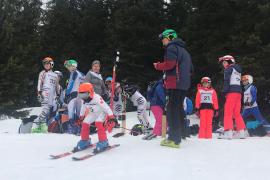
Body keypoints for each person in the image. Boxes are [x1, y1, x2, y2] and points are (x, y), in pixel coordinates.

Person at [153, 29, 193, 148]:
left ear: (170, 37)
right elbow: (191, 68)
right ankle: (183, 134)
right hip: (184, 83)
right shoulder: (185, 51)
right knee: (179, 107)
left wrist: (158, 66)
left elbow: (169, 64)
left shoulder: (171, 48)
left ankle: (174, 139)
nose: (162, 42)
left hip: (175, 82)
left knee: (171, 109)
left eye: (163, 39)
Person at [74, 83, 115, 153]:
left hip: (102, 112)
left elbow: (106, 107)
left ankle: (104, 141)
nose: (83, 97)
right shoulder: (84, 100)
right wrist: (81, 117)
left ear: (90, 92)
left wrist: (111, 117)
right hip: (93, 113)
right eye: (81, 95)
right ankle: (85, 140)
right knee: (85, 123)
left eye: (84, 94)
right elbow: (83, 108)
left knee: (98, 123)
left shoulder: (97, 98)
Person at [218, 55, 247, 139]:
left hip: (231, 92)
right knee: (236, 113)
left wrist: (224, 91)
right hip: (238, 93)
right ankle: (241, 132)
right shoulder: (237, 69)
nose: (223, 64)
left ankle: (228, 132)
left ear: (229, 61)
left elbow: (227, 81)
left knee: (228, 112)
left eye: (224, 62)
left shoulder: (229, 69)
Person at [32, 57, 59, 133]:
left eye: (48, 64)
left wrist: (58, 95)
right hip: (45, 93)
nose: (46, 65)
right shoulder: (42, 73)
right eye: (45, 64)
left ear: (51, 64)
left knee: (50, 112)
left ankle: (44, 126)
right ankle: (35, 124)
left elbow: (57, 86)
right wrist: (39, 93)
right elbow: (39, 83)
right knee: (45, 110)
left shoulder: (55, 75)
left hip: (52, 96)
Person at [64, 59, 85, 134]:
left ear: (73, 66)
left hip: (73, 94)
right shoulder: (82, 74)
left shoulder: (73, 73)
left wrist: (66, 94)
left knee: (71, 112)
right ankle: (80, 129)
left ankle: (71, 129)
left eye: (69, 66)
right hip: (81, 95)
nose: (68, 68)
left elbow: (70, 84)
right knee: (79, 113)